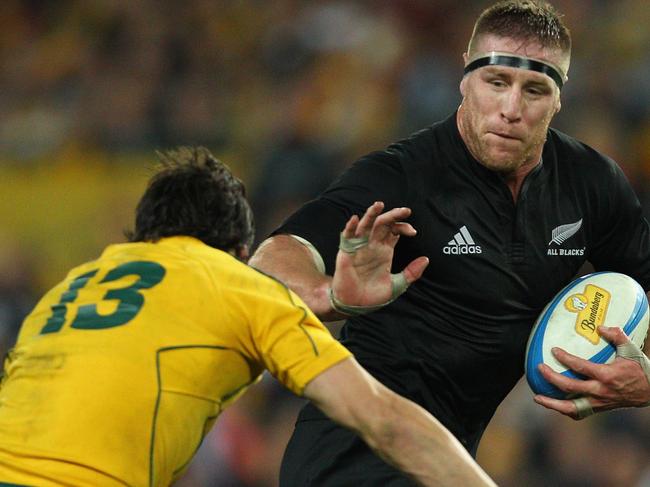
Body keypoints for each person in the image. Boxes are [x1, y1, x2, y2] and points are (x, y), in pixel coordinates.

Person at [249, 1, 650, 485]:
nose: (511, 109)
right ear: (465, 77)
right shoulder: (403, 176)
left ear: (560, 97)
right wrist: (327, 294)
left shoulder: (591, 185)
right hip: (352, 456)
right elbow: (275, 256)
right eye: (496, 82)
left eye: (535, 89)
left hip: (447, 461)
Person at [0, 147, 497, 487]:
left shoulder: (68, 290)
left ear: (144, 234)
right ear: (239, 249)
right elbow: (383, 420)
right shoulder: (238, 285)